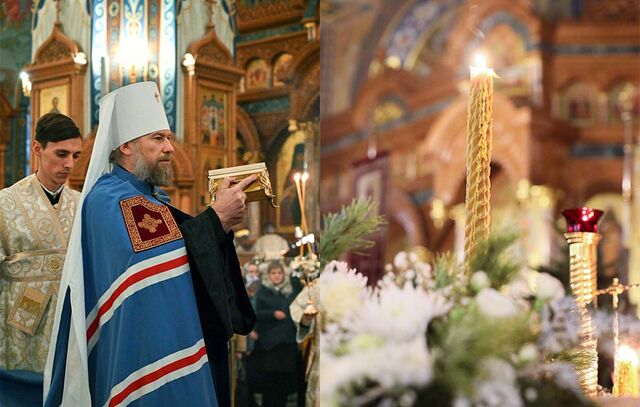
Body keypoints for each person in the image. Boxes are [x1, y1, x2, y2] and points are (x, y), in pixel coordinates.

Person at [43, 81, 257, 407]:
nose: (170, 147)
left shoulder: (150, 197)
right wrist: (216, 219)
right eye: (158, 138)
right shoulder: (108, 198)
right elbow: (160, 261)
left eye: (168, 137)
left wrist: (218, 222)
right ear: (126, 146)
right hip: (139, 355)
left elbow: (179, 245)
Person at [0, 112, 82, 406]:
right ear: (37, 149)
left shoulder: (82, 204)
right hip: (19, 323)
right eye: (61, 154)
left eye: (75, 155)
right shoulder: (5, 203)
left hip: (69, 321)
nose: (69, 164)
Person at [252, 261, 302, 407]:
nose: (277, 276)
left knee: (284, 383)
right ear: (268, 275)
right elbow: (256, 313)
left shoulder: (291, 291)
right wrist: (272, 314)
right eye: (273, 273)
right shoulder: (262, 291)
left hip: (287, 343)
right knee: (269, 384)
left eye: (279, 273)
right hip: (269, 345)